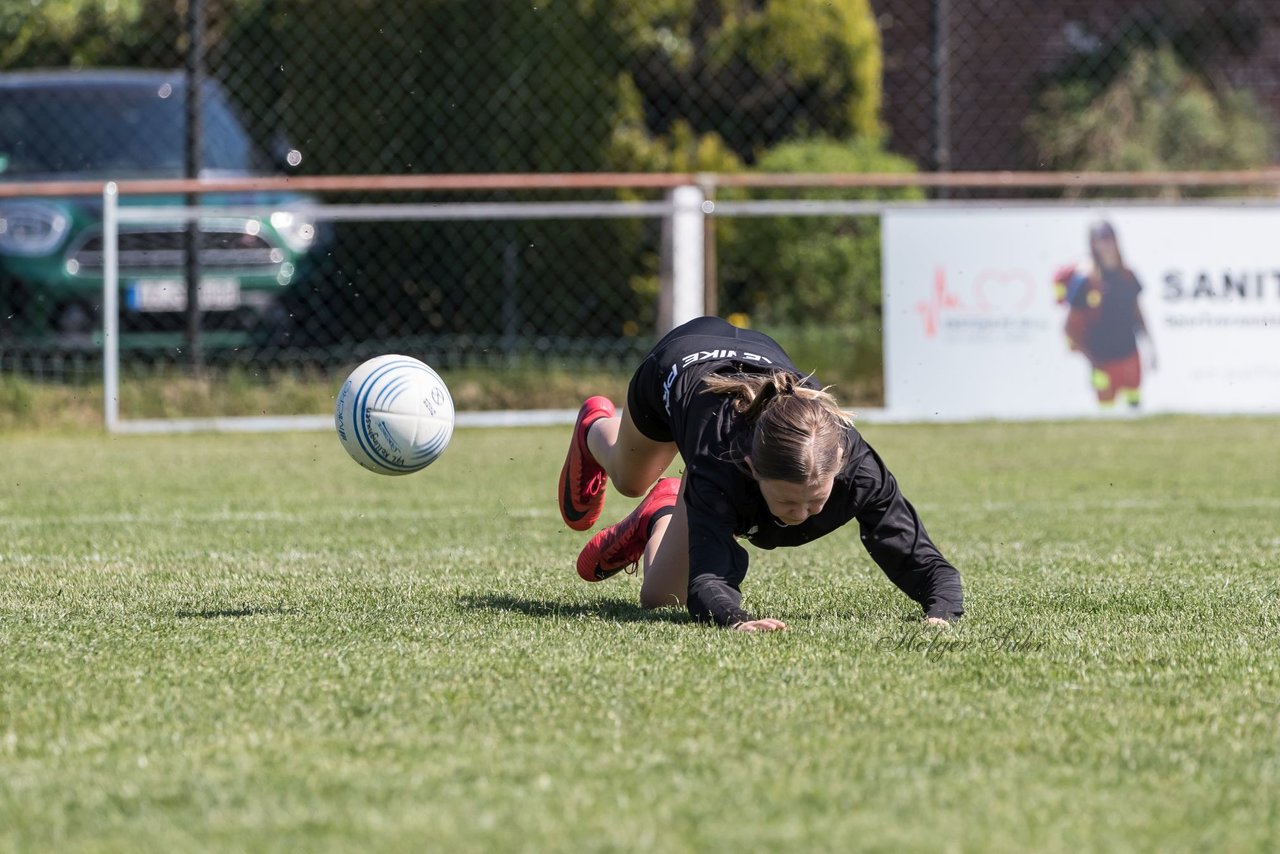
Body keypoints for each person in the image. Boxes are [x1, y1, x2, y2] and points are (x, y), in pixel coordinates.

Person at [557, 315, 964, 632]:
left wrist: (941, 612)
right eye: (787, 500)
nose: (801, 515)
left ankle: (663, 511)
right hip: (677, 362)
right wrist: (734, 618)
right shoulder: (721, 461)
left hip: (754, 356)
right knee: (629, 479)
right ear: (751, 469)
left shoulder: (857, 466)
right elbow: (708, 581)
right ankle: (594, 427)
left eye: (816, 500)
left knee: (660, 598)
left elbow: (923, 560)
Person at [1056, 221, 1157, 408]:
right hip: (1101, 360)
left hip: (1130, 354)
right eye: (1102, 240)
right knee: (1107, 414)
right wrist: (1092, 360)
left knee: (1135, 407)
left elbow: (1138, 312)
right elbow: (1069, 327)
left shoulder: (1127, 275)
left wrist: (1151, 345)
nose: (1108, 244)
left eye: (1110, 239)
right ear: (1093, 244)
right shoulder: (1085, 280)